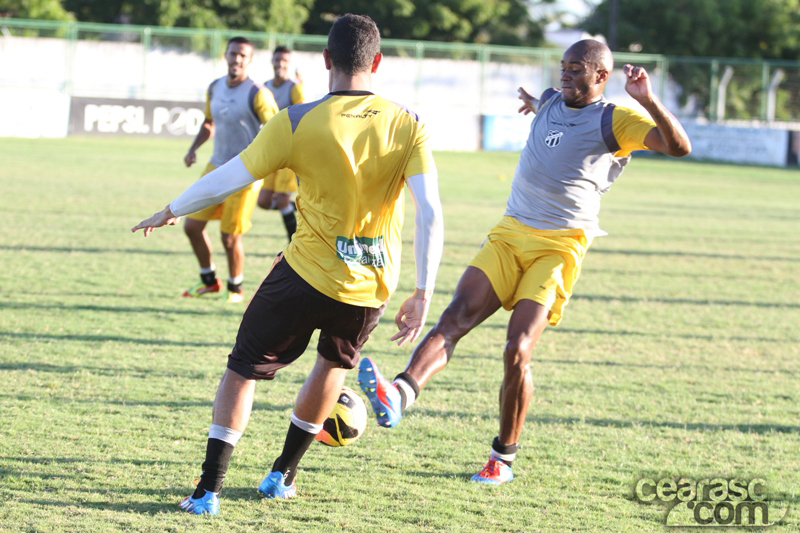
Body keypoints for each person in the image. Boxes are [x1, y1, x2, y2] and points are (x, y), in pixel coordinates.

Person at [132, 14, 443, 515]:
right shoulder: (408, 124)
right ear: (378, 62)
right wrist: (424, 291)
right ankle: (282, 476)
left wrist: (173, 209)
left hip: (300, 274)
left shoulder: (295, 121)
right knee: (332, 367)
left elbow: (228, 176)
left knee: (242, 370)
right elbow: (431, 212)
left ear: (325, 61)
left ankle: (208, 491)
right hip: (367, 288)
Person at [358, 39, 691, 485]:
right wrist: (534, 104)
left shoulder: (618, 120)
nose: (565, 74)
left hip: (558, 247)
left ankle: (502, 459)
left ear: (601, 76)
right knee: (455, 318)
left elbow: (679, 146)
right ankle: (398, 395)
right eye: (563, 66)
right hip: (509, 233)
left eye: (577, 69)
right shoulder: (553, 99)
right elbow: (552, 110)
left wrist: (647, 99)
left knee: (517, 350)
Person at [181, 36, 279, 303]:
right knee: (191, 226)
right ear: (225, 55)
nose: (237, 59)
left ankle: (235, 288)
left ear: (249, 61)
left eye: (242, 56)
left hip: (245, 173)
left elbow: (278, 131)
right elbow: (209, 122)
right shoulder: (214, 88)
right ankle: (209, 282)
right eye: (233, 53)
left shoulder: (257, 93)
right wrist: (193, 148)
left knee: (229, 236)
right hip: (215, 167)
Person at [257, 45, 306, 241]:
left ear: (289, 64)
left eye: (285, 61)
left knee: (283, 200)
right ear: (272, 61)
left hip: (288, 151)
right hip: (270, 150)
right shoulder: (264, 87)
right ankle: (301, 206)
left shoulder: (294, 88)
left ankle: (293, 243)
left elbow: (303, 114)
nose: (280, 64)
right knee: (263, 201)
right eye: (278, 60)